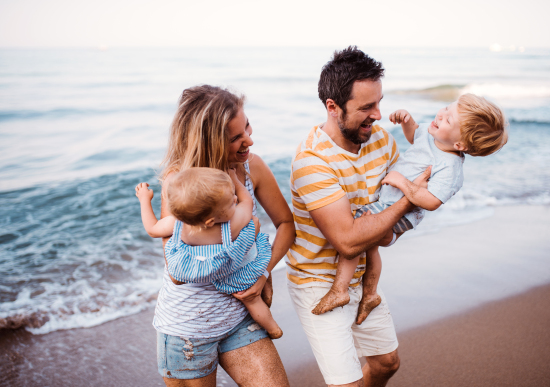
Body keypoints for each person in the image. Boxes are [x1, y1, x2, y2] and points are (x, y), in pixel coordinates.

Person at [286, 46, 431, 387]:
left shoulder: (379, 138)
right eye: (366, 107)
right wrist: (410, 202)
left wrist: (387, 229)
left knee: (386, 364)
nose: (378, 115)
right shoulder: (312, 162)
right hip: (319, 281)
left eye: (379, 102)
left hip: (363, 277)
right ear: (333, 107)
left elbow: (387, 216)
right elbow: (348, 241)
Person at [313, 94, 509, 323]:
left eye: (448, 120)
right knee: (370, 244)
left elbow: (432, 201)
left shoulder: (450, 166)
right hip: (388, 202)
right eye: (446, 107)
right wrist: (407, 121)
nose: (441, 115)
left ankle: (340, 290)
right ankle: (371, 294)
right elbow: (415, 136)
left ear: (460, 145)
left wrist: (402, 183)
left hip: (402, 211)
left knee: (359, 231)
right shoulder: (433, 133)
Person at [149, 85, 294, 386]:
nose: (249, 140)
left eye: (248, 128)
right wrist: (238, 241)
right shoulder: (180, 185)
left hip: (241, 317)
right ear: (209, 141)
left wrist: (262, 275)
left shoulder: (250, 166)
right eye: (236, 138)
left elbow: (285, 224)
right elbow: (176, 272)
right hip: (188, 328)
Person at [135, 167, 283, 339]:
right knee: (252, 301)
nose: (235, 199)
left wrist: (144, 200)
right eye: (230, 203)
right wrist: (235, 181)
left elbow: (152, 229)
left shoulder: (178, 226)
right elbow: (247, 202)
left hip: (210, 272)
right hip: (240, 273)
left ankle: (272, 328)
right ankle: (273, 329)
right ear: (211, 220)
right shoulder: (232, 225)